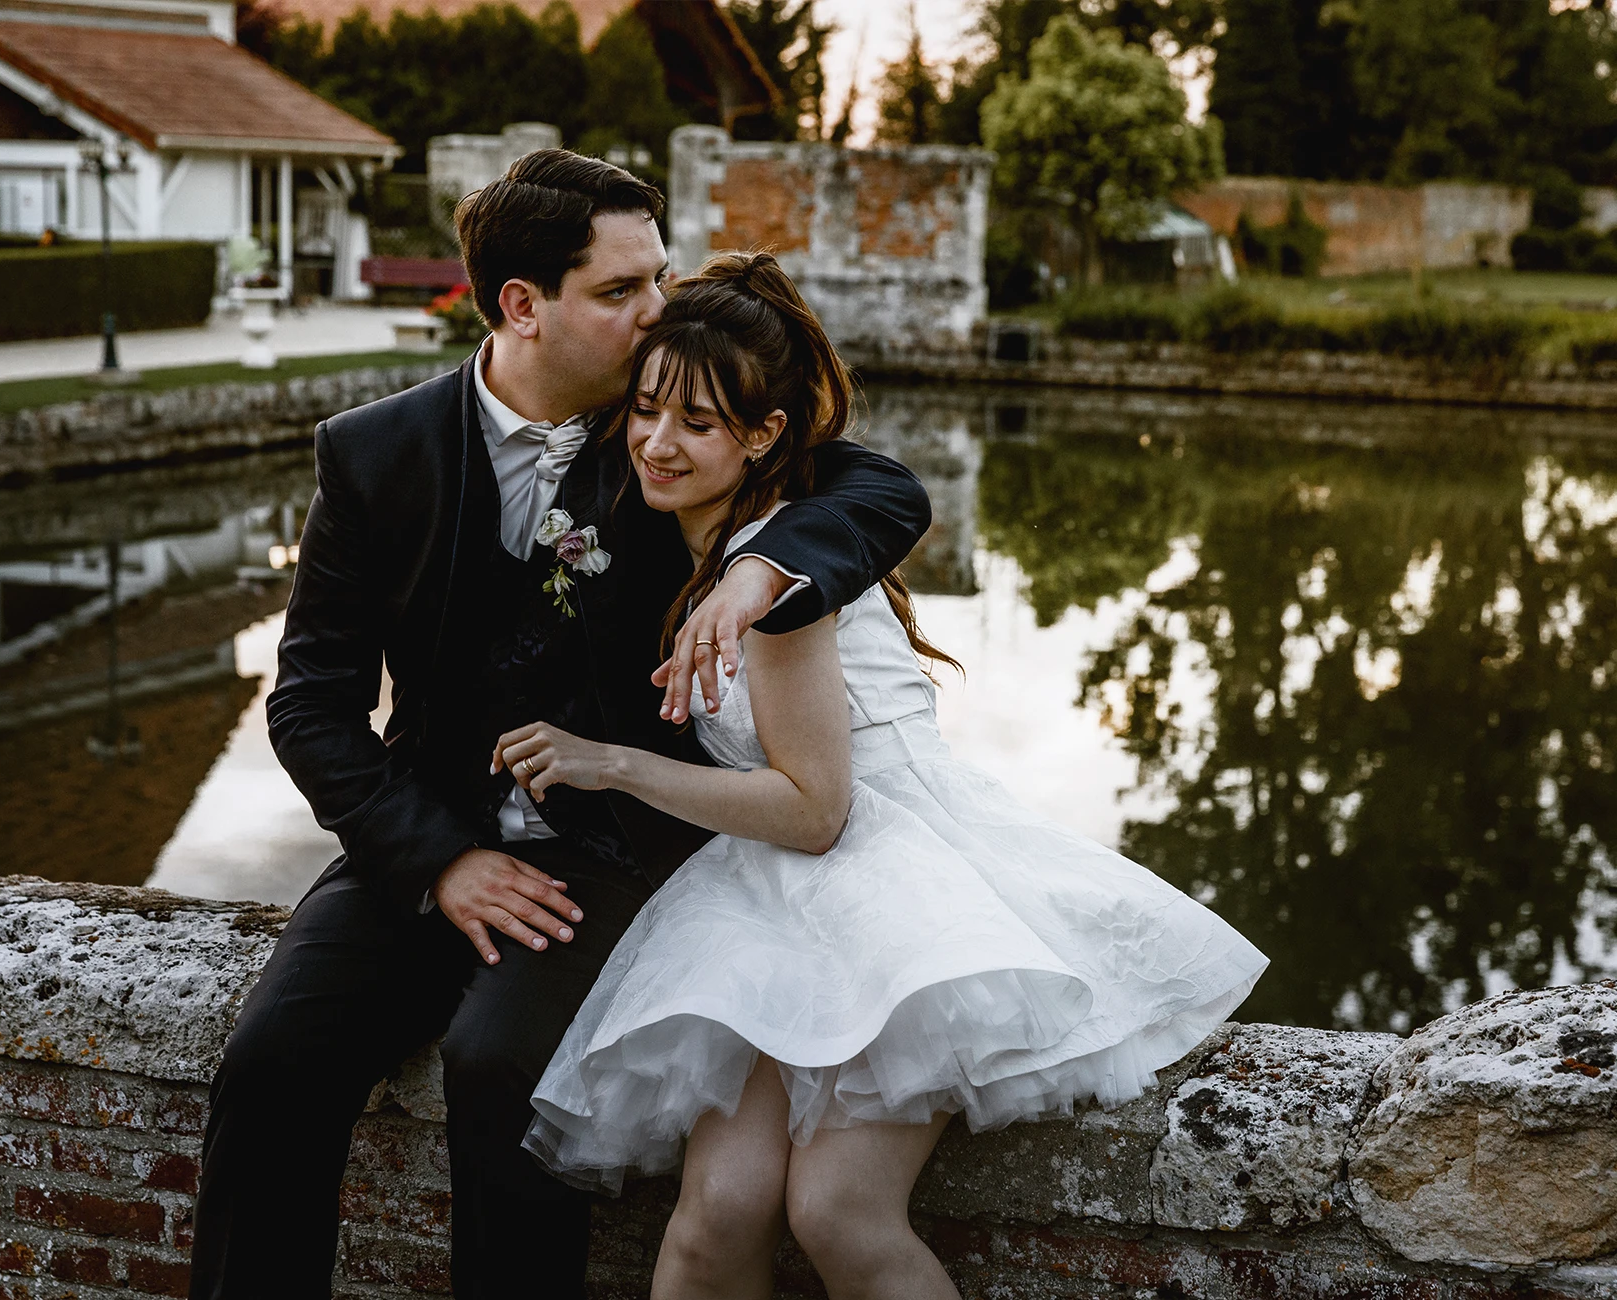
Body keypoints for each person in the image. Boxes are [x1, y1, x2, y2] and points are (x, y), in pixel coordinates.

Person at [186, 156, 932, 1299]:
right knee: (272, 1061)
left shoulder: (661, 429)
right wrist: (439, 861)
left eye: (660, 277)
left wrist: (760, 570)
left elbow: (879, 492)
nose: (660, 310)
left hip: (611, 847)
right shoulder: (375, 453)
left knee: (503, 1070)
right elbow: (310, 702)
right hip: (422, 831)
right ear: (522, 305)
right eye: (623, 289)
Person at [494, 251, 1271, 1300]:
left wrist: (614, 765)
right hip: (770, 892)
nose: (657, 443)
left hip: (894, 877)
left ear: (762, 436)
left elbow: (817, 809)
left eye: (698, 423)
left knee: (837, 1209)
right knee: (716, 1212)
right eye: (645, 410)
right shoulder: (697, 538)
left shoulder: (778, 571)